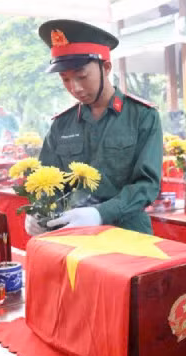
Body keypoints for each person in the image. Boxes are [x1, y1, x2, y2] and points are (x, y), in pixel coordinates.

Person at [24, 19, 163, 236]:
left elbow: (147, 185)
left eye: (81, 76)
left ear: (105, 67)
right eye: (65, 79)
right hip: (72, 233)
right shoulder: (62, 124)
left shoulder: (142, 116)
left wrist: (101, 213)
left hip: (128, 234)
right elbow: (47, 179)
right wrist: (37, 211)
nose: (75, 88)